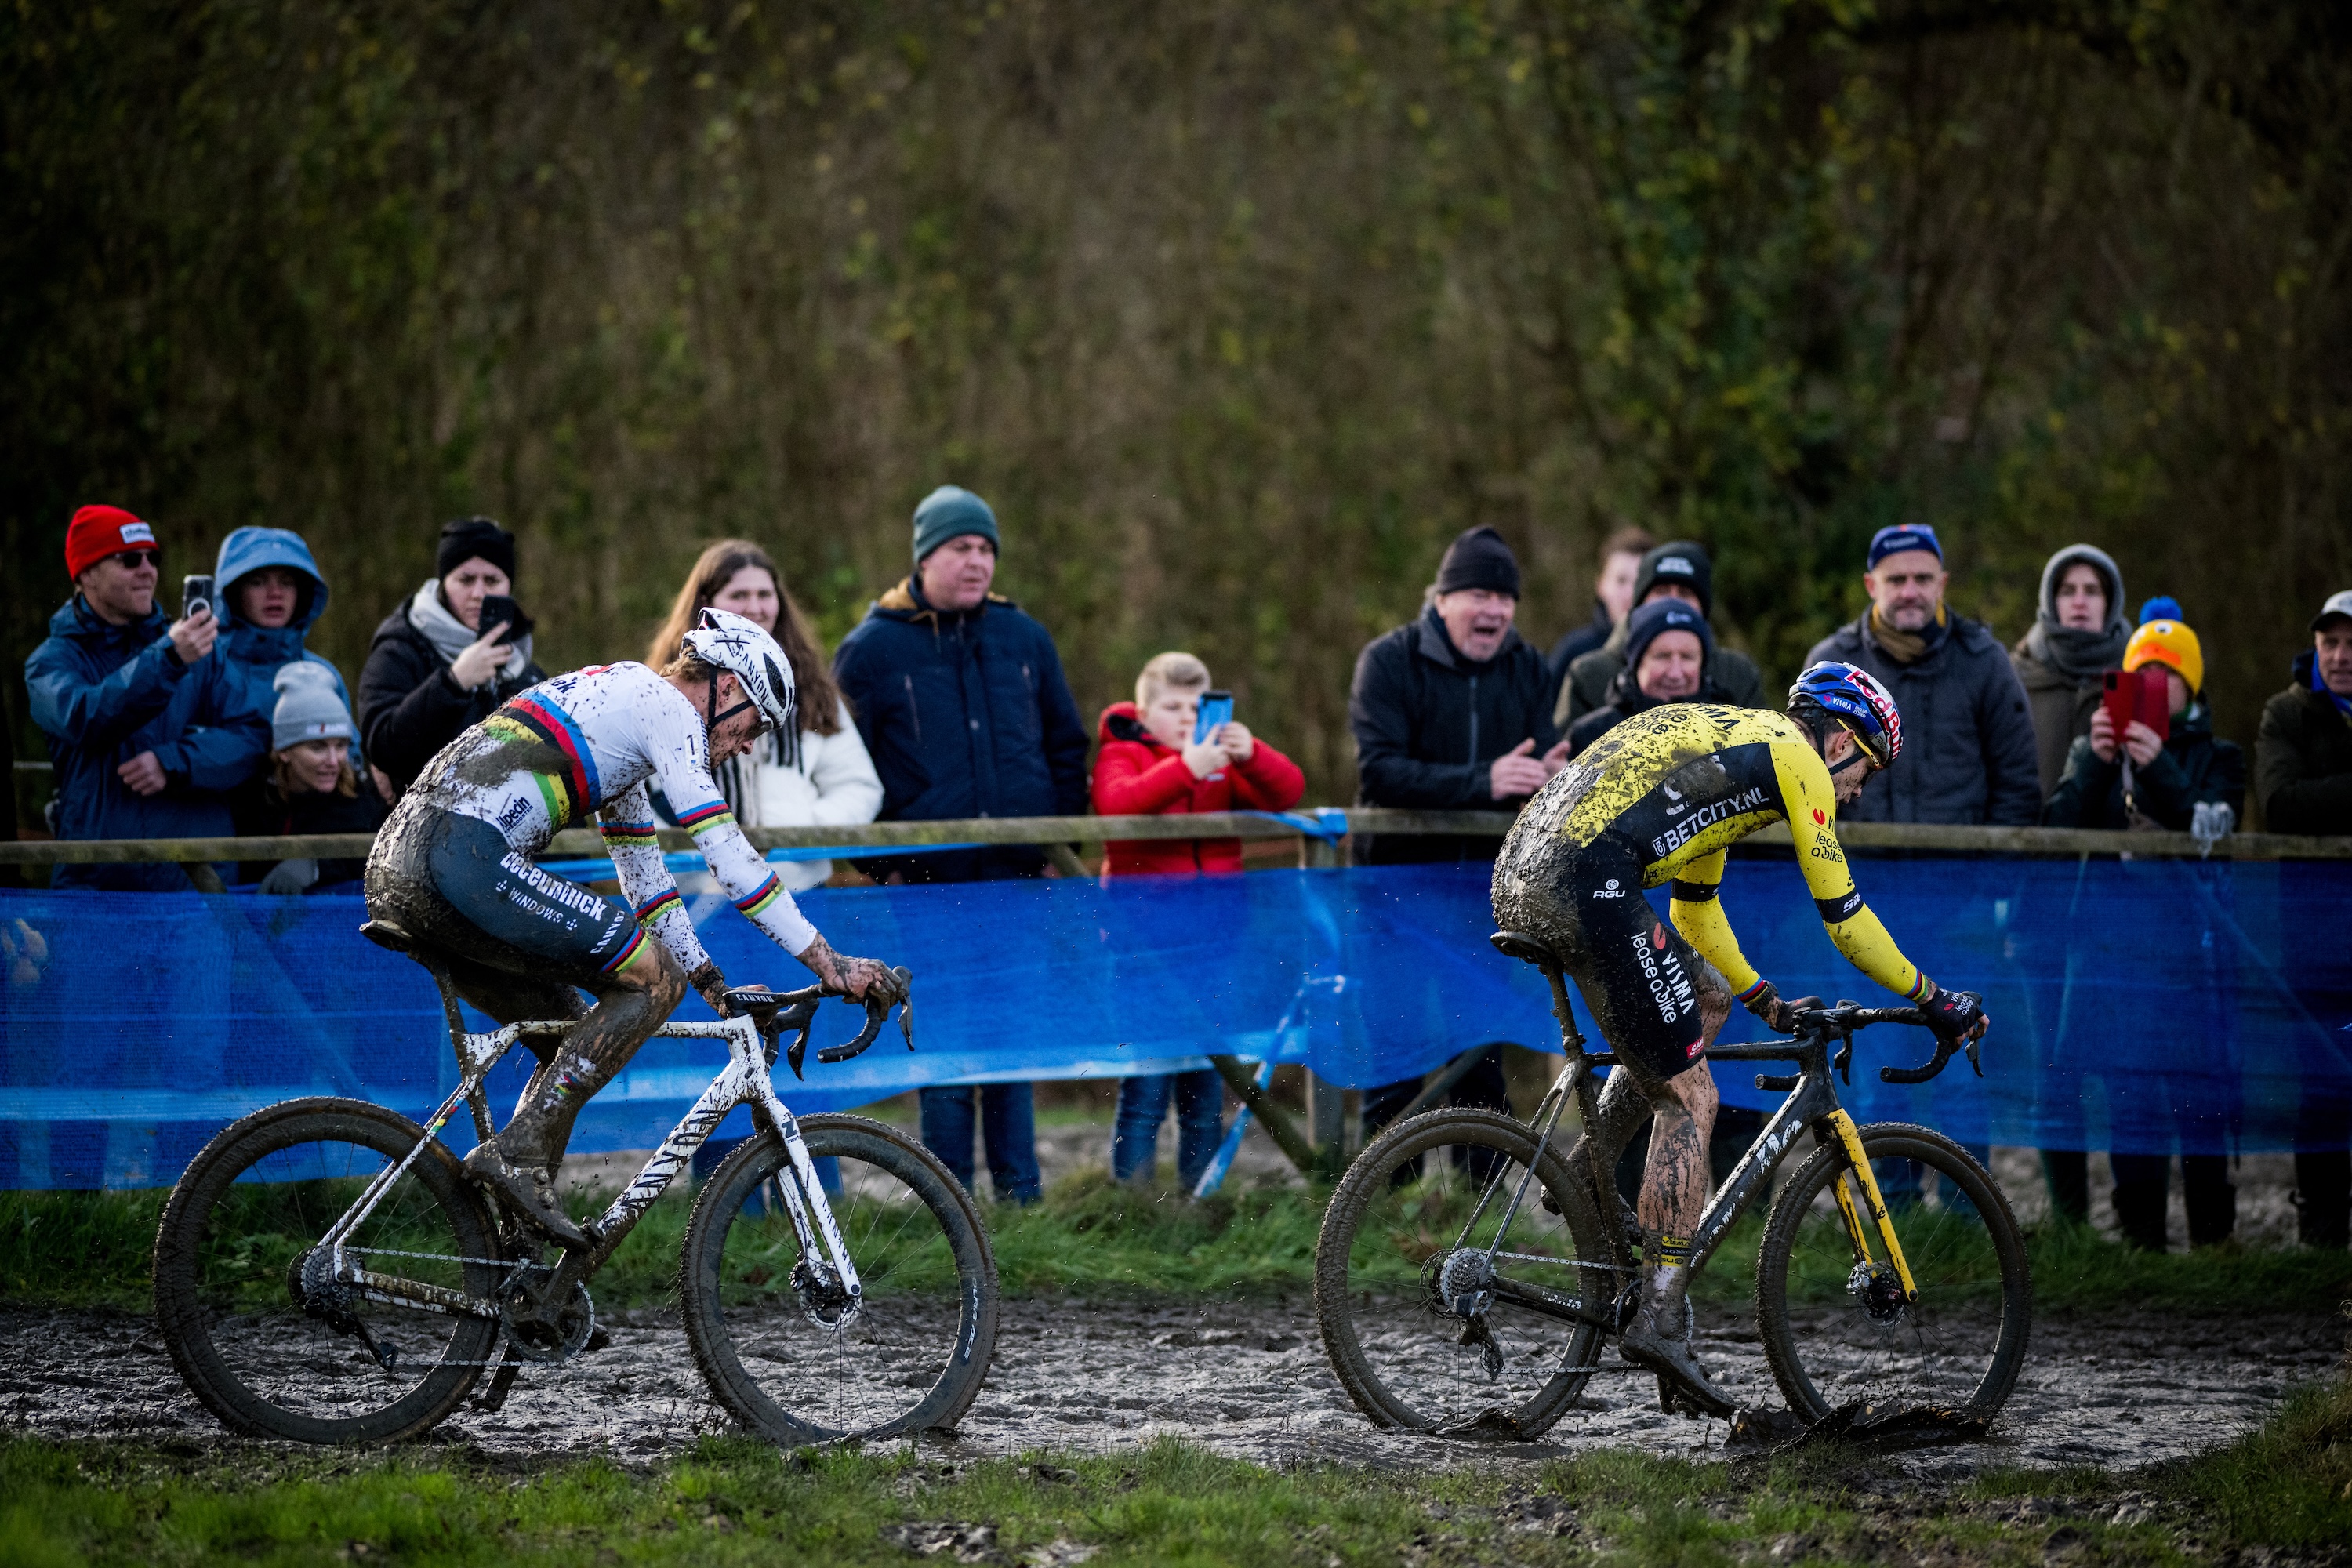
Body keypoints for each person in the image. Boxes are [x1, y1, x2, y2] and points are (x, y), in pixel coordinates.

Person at [1490, 663, 1988, 1415]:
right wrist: (1935, 998)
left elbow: (1695, 915)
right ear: (1840, 741)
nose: (1857, 793)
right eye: (1868, 771)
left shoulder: (1733, 752)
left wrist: (1766, 1000)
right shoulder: (1798, 762)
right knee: (1690, 1096)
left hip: (1525, 869)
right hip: (1585, 876)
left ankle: (1585, 1175)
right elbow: (1846, 923)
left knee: (1709, 999)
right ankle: (1659, 1315)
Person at [365, 608, 905, 1247]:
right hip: (457, 857)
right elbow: (728, 856)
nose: (750, 743)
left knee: (571, 1035)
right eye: (755, 724)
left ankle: (514, 1261)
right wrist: (828, 963)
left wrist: (709, 980)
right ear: (727, 688)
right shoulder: (666, 710)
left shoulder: (626, 716)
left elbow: (645, 881)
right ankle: (518, 1158)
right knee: (651, 983)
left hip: (408, 859)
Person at [833, 485, 1089, 1205]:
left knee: (1009, 1044)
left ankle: (1022, 1201)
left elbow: (1068, 748)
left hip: (1015, 886)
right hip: (928, 892)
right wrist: (887, 870)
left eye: (985, 549)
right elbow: (846, 769)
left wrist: (1054, 847)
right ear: (925, 556)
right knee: (943, 1047)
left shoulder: (1024, 638)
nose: (976, 562)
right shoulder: (871, 649)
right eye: (960, 549)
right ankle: (949, 1205)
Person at [1348, 525, 1566, 1145]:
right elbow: (1379, 770)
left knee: (1480, 1061)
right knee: (1396, 1062)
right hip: (1394, 898)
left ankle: (1479, 1216)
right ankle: (1385, 1214)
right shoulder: (1388, 662)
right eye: (1478, 594)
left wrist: (1544, 779)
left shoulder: (1528, 668)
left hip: (1484, 899)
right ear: (1441, 600)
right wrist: (1484, 779)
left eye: (1505, 598)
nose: (1493, 609)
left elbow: (1538, 759)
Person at [2043, 617, 2245, 1249]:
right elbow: (2055, 831)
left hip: (2192, 959)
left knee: (2200, 1104)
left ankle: (2215, 1243)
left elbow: (2215, 831)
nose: (2154, 685)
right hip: (2115, 960)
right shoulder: (2092, 751)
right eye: (2142, 674)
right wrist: (2098, 765)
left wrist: (2158, 767)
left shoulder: (2220, 757)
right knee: (2129, 1103)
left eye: (2168, 676)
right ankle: (2142, 1245)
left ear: (2191, 686)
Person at [1092, 652, 1306, 1189]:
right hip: (1142, 948)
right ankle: (1133, 1206)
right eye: (1171, 706)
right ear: (1143, 714)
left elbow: (1289, 791)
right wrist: (1187, 767)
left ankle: (1201, 1203)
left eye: (1197, 704)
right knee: (1145, 1087)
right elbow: (1117, 805)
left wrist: (1251, 753)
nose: (1186, 716)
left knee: (1206, 1088)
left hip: (1216, 945)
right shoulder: (1123, 753)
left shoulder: (1223, 767)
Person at [24, 505, 269, 891]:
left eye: (152, 557)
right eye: (129, 559)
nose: (147, 570)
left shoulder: (197, 649)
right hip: (98, 891)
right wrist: (169, 659)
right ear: (86, 573)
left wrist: (174, 761)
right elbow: (85, 718)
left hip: (197, 892)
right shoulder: (50, 662)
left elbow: (253, 739)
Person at [646, 540, 881, 893]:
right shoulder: (666, 690)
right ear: (706, 605)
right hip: (695, 899)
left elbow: (858, 786)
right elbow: (644, 797)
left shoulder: (811, 689)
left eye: (764, 594)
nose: (754, 607)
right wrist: (697, 857)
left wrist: (800, 829)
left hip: (799, 889)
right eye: (739, 594)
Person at [1804, 524, 2040, 826]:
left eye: (1923, 579)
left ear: (1942, 584)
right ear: (1871, 585)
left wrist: (1992, 866)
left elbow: (2017, 783)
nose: (1910, 592)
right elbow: (1805, 780)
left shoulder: (1985, 662)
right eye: (1897, 579)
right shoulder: (1831, 663)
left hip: (1959, 865)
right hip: (1855, 864)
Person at [2256, 589, 2352, 1248]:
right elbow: (2282, 804)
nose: (2342, 656)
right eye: (2331, 642)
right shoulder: (2285, 714)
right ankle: (2321, 1233)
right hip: (2313, 937)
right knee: (2319, 1082)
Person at [359, 517, 548, 800]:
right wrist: (453, 682)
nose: (479, 593)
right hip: (423, 831)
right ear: (443, 584)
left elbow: (555, 772)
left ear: (509, 585)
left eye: (492, 580)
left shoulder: (525, 668)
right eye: (466, 579)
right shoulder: (399, 649)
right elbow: (383, 746)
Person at [1555, 540, 1764, 730]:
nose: (1673, 602)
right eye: (1662, 591)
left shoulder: (1737, 674)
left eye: (1685, 594)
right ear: (1639, 601)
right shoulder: (1589, 674)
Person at [212, 526, 361, 777]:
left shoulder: (322, 674)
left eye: (287, 582)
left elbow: (352, 760)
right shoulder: (207, 669)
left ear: (303, 593)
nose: (275, 594)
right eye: (257, 582)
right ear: (233, 591)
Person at [231, 664, 387, 894]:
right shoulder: (251, 802)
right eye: (318, 747)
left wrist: (317, 866)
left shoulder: (361, 802)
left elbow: (381, 859)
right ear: (284, 751)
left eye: (341, 745)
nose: (334, 761)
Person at [2010, 544, 2130, 799]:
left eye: (2092, 591)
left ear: (2110, 601)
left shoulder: (2134, 671)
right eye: (2067, 592)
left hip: (2118, 834)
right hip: (2029, 832)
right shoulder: (2017, 674)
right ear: (2050, 601)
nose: (2079, 602)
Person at [1567, 599, 1712, 754]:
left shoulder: (1732, 725)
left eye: (1687, 657)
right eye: (1662, 656)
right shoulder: (1591, 735)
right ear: (1636, 664)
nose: (1675, 673)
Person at [1548, 525, 1656, 682]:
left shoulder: (1678, 653)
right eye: (1621, 580)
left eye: (1640, 582)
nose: (1630, 593)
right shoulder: (1574, 653)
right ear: (1601, 585)